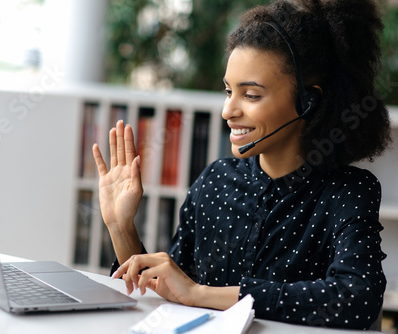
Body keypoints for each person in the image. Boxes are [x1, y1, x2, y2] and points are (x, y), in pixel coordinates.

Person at [92, 0, 391, 330]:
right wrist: (122, 228)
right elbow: (171, 293)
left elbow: (356, 299)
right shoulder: (215, 180)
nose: (227, 111)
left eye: (250, 95)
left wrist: (200, 293)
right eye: (228, 91)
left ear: (309, 101)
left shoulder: (347, 191)